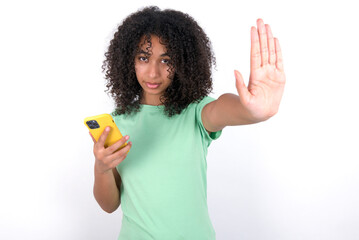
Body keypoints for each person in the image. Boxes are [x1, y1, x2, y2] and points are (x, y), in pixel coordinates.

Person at [89, 6, 286, 240]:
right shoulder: (118, 122)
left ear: (183, 63)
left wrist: (254, 111)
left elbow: (223, 109)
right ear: (127, 60)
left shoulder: (196, 112)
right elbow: (109, 205)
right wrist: (101, 168)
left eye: (166, 60)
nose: (153, 73)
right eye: (144, 58)